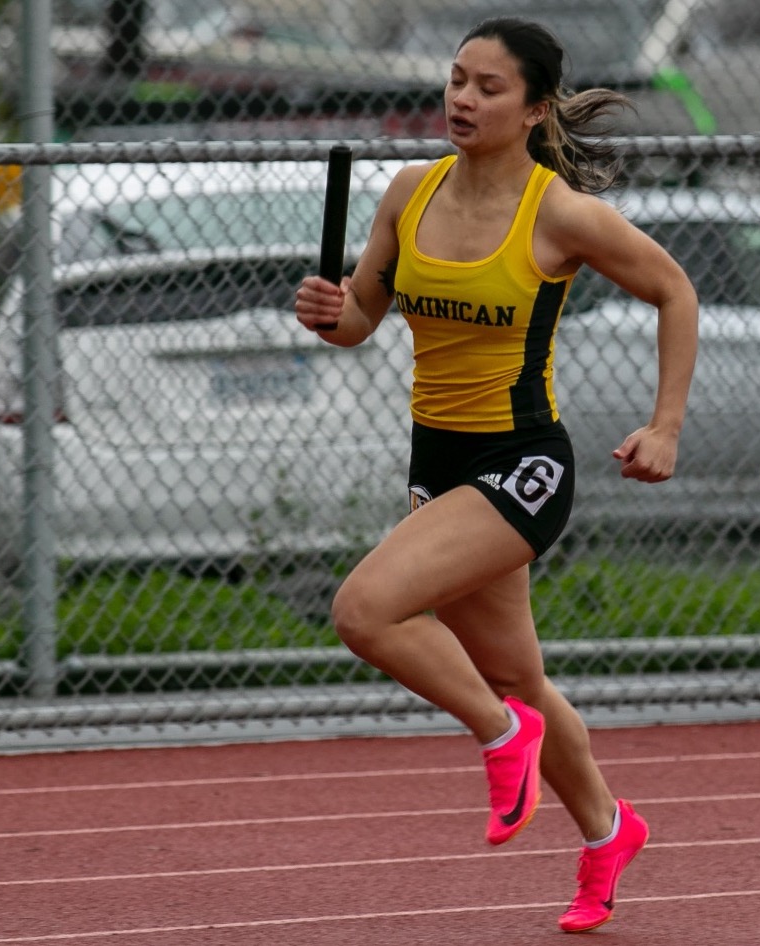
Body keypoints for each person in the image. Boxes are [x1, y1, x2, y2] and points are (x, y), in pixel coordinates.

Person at [292, 16, 699, 934]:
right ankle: (607, 829)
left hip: (521, 465)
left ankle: (500, 737)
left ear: (534, 109)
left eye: (488, 87)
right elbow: (359, 321)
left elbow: (676, 288)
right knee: (520, 678)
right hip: (436, 463)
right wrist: (329, 311)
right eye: (455, 79)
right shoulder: (409, 191)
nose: (462, 99)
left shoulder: (558, 213)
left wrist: (664, 425)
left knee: (365, 611)